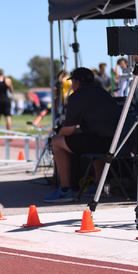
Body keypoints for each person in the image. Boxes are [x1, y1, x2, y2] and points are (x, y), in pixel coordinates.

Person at [43, 67, 121, 202]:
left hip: (101, 142)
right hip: (118, 143)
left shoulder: (77, 97)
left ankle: (65, 190)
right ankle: (98, 185)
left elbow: (67, 131)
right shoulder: (103, 93)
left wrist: (56, 138)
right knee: (87, 137)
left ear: (77, 83)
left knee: (57, 142)